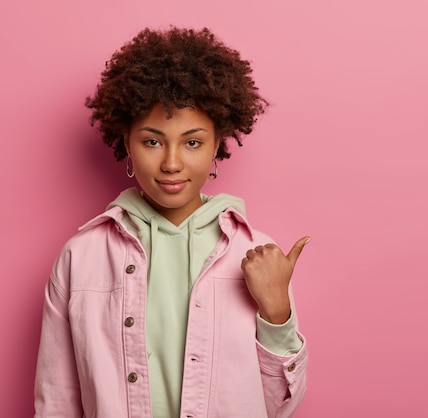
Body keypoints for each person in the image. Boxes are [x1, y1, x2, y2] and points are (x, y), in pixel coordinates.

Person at [34, 27, 309, 418]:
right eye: (152, 141)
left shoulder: (255, 254)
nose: (172, 163)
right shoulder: (82, 257)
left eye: (193, 142)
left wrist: (277, 313)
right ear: (126, 141)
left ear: (218, 144)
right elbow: (56, 401)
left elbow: (280, 405)